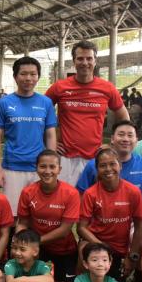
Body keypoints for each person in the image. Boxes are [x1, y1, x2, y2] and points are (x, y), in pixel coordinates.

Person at [45, 40, 128, 185]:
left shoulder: (107, 88)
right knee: (65, 201)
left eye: (89, 58)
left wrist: (114, 144)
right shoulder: (59, 87)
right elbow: (40, 112)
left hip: (94, 157)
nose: (85, 62)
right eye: (80, 58)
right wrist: (47, 140)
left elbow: (124, 117)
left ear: (95, 61)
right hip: (65, 157)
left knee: (93, 202)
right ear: (74, 61)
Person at [0, 56, 57, 213]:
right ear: (15, 76)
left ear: (38, 77)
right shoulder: (4, 103)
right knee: (11, 214)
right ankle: (11, 239)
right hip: (12, 167)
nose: (28, 78)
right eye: (24, 74)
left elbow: (50, 135)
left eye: (33, 74)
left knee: (40, 213)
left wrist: (52, 165)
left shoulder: (46, 103)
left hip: (39, 169)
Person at [15, 150, 80, 282]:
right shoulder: (28, 192)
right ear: (36, 168)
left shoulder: (71, 193)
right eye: (43, 166)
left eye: (52, 166)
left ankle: (53, 279)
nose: (47, 171)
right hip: (38, 250)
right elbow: (22, 222)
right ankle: (48, 277)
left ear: (59, 169)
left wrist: (35, 242)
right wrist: (20, 242)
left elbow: (65, 230)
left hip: (64, 249)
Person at [77, 147, 142, 282]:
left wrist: (132, 257)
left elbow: (139, 226)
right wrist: (102, 247)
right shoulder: (91, 193)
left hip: (120, 250)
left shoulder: (133, 191)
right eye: (103, 165)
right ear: (97, 169)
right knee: (83, 248)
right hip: (95, 242)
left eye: (112, 164)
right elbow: (81, 228)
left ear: (120, 166)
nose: (108, 169)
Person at [74, 120, 142, 199]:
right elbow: (80, 194)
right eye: (121, 134)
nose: (125, 139)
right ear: (112, 139)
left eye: (130, 135)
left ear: (136, 141)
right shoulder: (94, 164)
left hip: (135, 214)